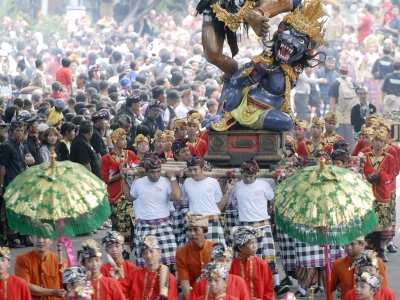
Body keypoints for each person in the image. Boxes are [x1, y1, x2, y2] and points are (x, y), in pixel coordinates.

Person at [210, 0, 325, 132]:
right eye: (288, 33)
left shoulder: (294, 68)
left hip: (271, 110)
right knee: (287, 123)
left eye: (299, 40)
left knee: (291, 123)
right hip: (252, 111)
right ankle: (229, 117)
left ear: (307, 50)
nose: (289, 40)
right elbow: (236, 81)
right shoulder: (266, 63)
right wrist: (226, 113)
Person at [229, 159, 289, 296]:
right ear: (242, 173)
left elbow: (275, 199)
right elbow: (231, 204)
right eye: (245, 175)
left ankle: (276, 285)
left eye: (251, 175)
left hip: (263, 224)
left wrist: (278, 180)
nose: (248, 178)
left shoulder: (264, 184)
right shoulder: (237, 186)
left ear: (256, 174)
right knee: (249, 259)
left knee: (269, 257)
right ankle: (248, 287)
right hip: (245, 225)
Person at [122, 155, 181, 269]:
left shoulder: (166, 181)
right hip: (144, 225)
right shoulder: (138, 183)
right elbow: (129, 197)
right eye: (152, 172)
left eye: (158, 171)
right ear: (145, 171)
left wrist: (173, 178)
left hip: (164, 225)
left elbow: (177, 198)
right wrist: (123, 180)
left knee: (172, 261)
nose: (156, 175)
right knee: (146, 262)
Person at [182, 156, 234, 244]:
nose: (193, 172)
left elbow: (219, 206)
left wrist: (229, 191)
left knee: (215, 253)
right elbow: (183, 201)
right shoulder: (187, 182)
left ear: (202, 168)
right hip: (196, 222)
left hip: (212, 220)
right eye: (190, 170)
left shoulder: (213, 182)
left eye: (195, 169)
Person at [363, 129, 397, 262]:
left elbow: (392, 175)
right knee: (369, 223)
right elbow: (361, 170)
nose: (378, 143)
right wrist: (369, 175)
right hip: (368, 193)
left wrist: (382, 176)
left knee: (383, 224)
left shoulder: (389, 158)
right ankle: (369, 248)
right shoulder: (366, 156)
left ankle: (382, 250)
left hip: (383, 193)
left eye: (381, 141)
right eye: (376, 140)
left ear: (385, 143)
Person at [0, 121, 35, 248]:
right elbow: (2, 167)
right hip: (10, 183)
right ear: (11, 132)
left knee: (23, 210)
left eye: (23, 130)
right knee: (10, 212)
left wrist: (24, 159)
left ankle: (23, 236)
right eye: (18, 130)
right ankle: (10, 238)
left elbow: (31, 159)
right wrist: (1, 185)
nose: (21, 133)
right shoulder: (7, 146)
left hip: (22, 183)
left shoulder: (21, 145)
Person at [100, 128, 139, 234]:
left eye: (125, 139)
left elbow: (138, 167)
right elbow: (106, 179)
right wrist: (120, 174)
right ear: (115, 141)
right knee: (119, 227)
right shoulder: (106, 159)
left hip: (131, 194)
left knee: (134, 225)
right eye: (122, 139)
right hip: (116, 196)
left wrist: (130, 170)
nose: (125, 141)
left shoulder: (130, 154)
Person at [15, 235, 67, 299]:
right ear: (31, 239)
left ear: (51, 240)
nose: (41, 241)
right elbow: (24, 285)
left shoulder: (61, 261)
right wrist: (52, 292)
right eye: (37, 237)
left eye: (45, 237)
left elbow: (67, 287)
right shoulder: (22, 259)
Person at [230, 226, 275, 300]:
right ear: (240, 247)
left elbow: (269, 289)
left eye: (255, 242)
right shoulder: (231, 266)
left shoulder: (262, 264)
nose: (255, 246)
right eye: (251, 243)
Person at [176, 214, 215, 299]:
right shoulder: (181, 253)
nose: (192, 233)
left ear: (205, 232)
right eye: (190, 230)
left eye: (196, 230)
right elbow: (185, 284)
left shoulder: (216, 248)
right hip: (192, 295)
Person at [128, 235, 178, 300]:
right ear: (142, 255)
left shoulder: (170, 278)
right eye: (144, 253)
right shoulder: (135, 274)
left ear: (159, 252)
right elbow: (120, 290)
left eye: (151, 251)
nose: (148, 255)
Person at [100, 231, 137, 299]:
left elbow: (135, 291)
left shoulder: (132, 267)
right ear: (106, 250)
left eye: (117, 246)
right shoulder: (103, 269)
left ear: (123, 248)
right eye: (110, 247)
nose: (114, 249)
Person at [329, 66, 358, 149]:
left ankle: (340, 154)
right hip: (351, 115)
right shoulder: (353, 82)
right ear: (347, 72)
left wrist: (330, 115)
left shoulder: (336, 83)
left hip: (340, 115)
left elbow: (333, 101)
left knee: (340, 137)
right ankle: (351, 154)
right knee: (350, 137)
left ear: (339, 71)